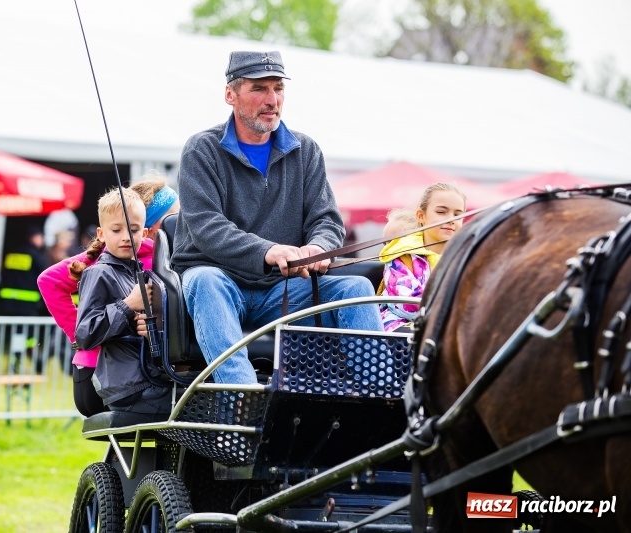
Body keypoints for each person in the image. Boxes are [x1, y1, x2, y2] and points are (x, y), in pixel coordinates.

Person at [171, 50, 383, 385]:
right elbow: (206, 226)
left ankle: (379, 395)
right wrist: (268, 251)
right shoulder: (201, 150)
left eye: (278, 88)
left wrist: (318, 247)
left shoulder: (306, 150)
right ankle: (242, 398)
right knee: (206, 281)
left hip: (281, 289)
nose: (272, 100)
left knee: (357, 287)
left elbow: (327, 219)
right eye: (259, 88)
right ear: (230, 94)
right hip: (220, 283)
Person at [37, 175, 179, 417]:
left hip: (138, 373)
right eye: (174, 217)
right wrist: (82, 336)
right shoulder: (113, 258)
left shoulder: (160, 258)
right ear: (153, 226)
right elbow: (49, 281)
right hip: (104, 374)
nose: (182, 223)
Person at [75, 187, 171, 415]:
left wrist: (152, 328)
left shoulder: (143, 276)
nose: (126, 236)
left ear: (144, 233)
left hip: (151, 379)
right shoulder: (98, 274)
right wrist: (127, 305)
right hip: (128, 389)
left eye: (134, 229)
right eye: (116, 230)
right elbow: (85, 334)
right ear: (101, 234)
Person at [378, 183, 467, 332]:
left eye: (458, 215)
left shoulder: (465, 257)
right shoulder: (402, 253)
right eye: (441, 212)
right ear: (421, 216)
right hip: (401, 330)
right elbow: (407, 305)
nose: (451, 219)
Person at [0, 226, 50, 373]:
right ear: (35, 238)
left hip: (8, 303)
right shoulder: (35, 256)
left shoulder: (11, 254)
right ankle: (20, 360)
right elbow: (46, 276)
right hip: (27, 304)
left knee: (19, 334)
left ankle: (30, 358)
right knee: (23, 334)